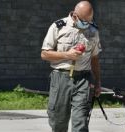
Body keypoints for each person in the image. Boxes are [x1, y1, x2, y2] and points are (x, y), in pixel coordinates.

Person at [41, 1, 102, 132]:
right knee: (58, 121)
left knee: (81, 123)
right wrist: (67, 55)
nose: (86, 24)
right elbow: (45, 54)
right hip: (60, 78)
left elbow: (95, 58)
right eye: (84, 21)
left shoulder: (93, 31)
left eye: (89, 21)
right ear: (75, 15)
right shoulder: (58, 27)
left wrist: (97, 82)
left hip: (83, 79)